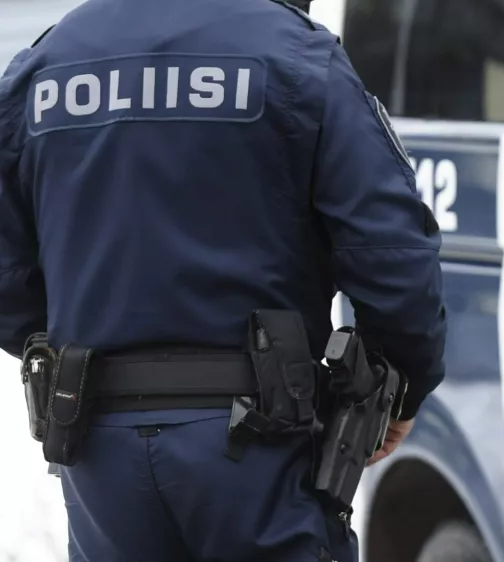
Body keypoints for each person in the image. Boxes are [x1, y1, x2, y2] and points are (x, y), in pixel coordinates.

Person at [0, 0, 447, 560]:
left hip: (97, 443)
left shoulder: (45, 65)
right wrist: (402, 385)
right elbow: (393, 253)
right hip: (260, 440)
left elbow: (7, 275)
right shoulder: (296, 55)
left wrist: (78, 344)